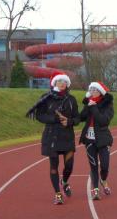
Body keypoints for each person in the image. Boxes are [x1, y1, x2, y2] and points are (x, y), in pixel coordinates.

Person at [27, 73, 80, 205]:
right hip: (52, 137)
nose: (62, 83)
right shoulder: (46, 98)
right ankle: (57, 193)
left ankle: (65, 181)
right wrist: (54, 118)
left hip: (67, 136)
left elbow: (77, 118)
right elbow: (39, 116)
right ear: (54, 83)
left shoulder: (71, 99)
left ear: (67, 84)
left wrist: (69, 122)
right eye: (59, 81)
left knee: (69, 166)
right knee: (54, 165)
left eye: (64, 81)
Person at [78, 81, 114, 200]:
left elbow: (103, 121)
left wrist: (93, 107)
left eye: (95, 90)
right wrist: (88, 106)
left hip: (103, 139)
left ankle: (103, 180)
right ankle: (96, 190)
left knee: (105, 166)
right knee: (93, 166)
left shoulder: (107, 105)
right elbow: (81, 117)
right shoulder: (89, 103)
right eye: (91, 90)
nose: (92, 92)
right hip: (89, 140)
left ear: (100, 92)